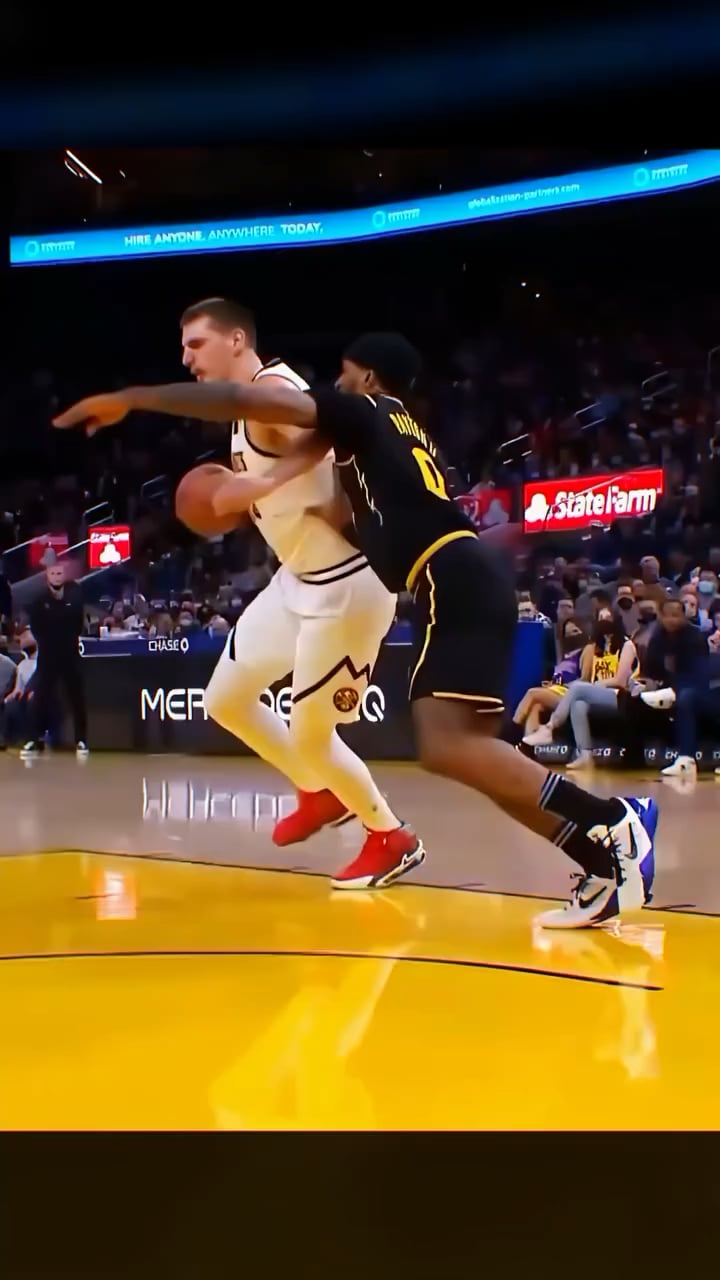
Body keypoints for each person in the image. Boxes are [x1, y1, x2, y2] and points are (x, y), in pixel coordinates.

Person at [53, 332, 658, 928]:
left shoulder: (363, 410)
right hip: (461, 576)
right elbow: (353, 514)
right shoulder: (399, 433)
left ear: (367, 378)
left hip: (452, 578)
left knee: (450, 748)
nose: (333, 385)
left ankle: (614, 818)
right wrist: (267, 501)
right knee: (471, 756)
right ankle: (605, 864)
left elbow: (246, 401)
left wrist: (136, 398)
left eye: (342, 374)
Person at [176, 298, 415, 888]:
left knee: (311, 734)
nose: (187, 358)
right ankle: (319, 792)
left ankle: (391, 837)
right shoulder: (249, 404)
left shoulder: (273, 393)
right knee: (226, 699)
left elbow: (342, 437)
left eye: (196, 344)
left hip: (347, 583)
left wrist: (273, 487)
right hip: (298, 577)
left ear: (236, 340)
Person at [525, 608, 639, 769]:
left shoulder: (627, 645)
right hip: (597, 695)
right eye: (600, 617)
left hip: (621, 696)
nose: (604, 621)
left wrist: (592, 686)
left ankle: (549, 727)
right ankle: (585, 755)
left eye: (607, 617)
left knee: (579, 689)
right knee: (578, 704)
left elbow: (620, 681)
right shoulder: (596, 648)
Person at [21, 560, 89, 758]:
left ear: (64, 576)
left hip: (70, 656)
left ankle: (81, 740)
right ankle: (34, 739)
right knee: (40, 699)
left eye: (60, 574)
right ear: (47, 576)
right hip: (48, 657)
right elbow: (37, 628)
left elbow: (77, 624)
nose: (57, 577)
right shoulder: (39, 601)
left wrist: (66, 641)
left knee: (76, 699)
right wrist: (49, 642)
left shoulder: (74, 598)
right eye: (53, 574)